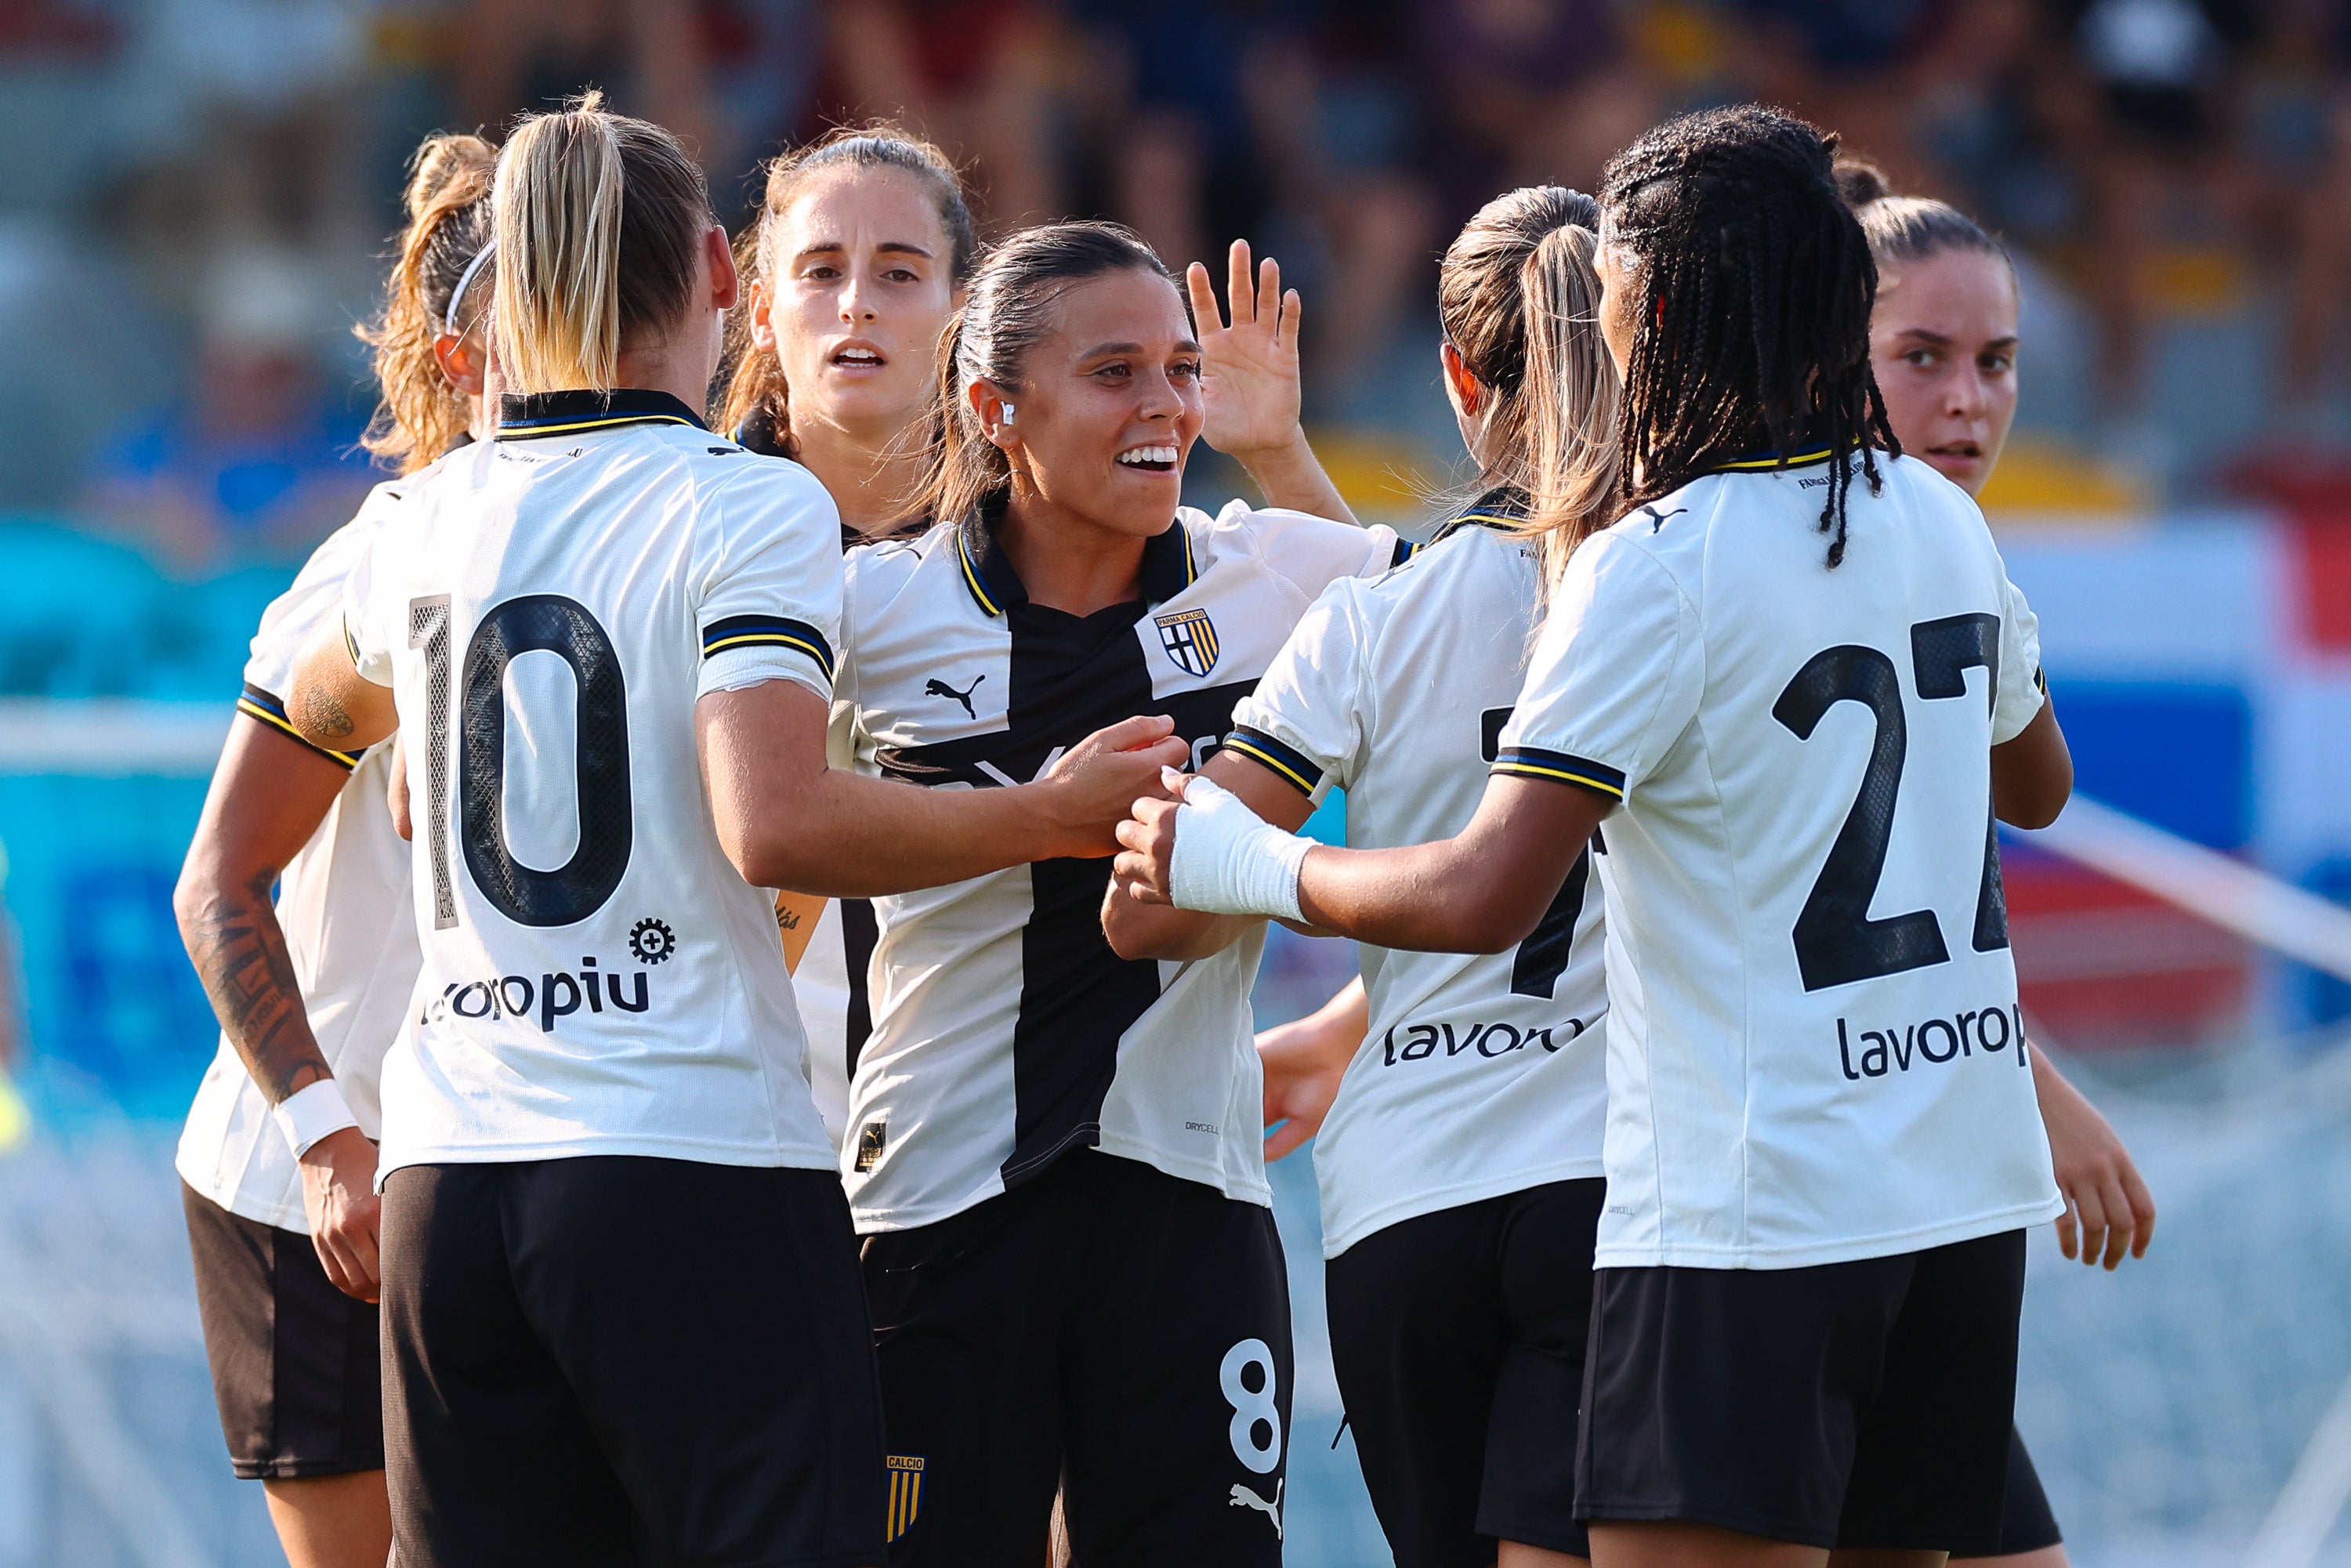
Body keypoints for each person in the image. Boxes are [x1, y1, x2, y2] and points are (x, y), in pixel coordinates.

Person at [1118, 104, 2076, 1568]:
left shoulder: (1659, 562)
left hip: (1756, 1209)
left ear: (1665, 307)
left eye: (1615, 286)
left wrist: (1244, 861)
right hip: (1953, 1204)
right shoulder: (1936, 520)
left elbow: (1489, 889)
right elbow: (2035, 786)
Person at [282, 97, 1185, 1568]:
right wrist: (1048, 812)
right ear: (724, 276)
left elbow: (337, 721)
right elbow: (772, 822)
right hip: (685, 1154)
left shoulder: (421, 516)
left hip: (453, 1176)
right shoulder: (745, 503)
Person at [833, 219, 1396, 1568]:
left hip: (1190, 1196)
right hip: (934, 1200)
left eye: (1181, 369)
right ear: (996, 407)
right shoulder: (868, 611)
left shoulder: (1266, 575)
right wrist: (1034, 815)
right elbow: (768, 828)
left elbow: (1424, 677)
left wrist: (1276, 445)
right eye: (1116, 372)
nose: (1165, 407)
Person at [1108, 185, 1619, 1568]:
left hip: (1402, 1207)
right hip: (1622, 1190)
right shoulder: (1671, 592)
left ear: (1457, 378)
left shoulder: (1375, 615)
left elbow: (1148, 901)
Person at [169, 132, 498, 1568]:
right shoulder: (377, 561)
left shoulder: (687, 535)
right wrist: (322, 1134)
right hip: (315, 1184)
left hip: (505, 1167)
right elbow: (217, 880)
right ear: (466, 356)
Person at [1842, 158, 2158, 1568]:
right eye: (1921, 357)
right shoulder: (1768, 572)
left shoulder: (1950, 560)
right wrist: (2037, 1089)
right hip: (1798, 1195)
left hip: (1922, 1176)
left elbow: (2024, 804)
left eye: (1996, 362)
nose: (1968, 398)